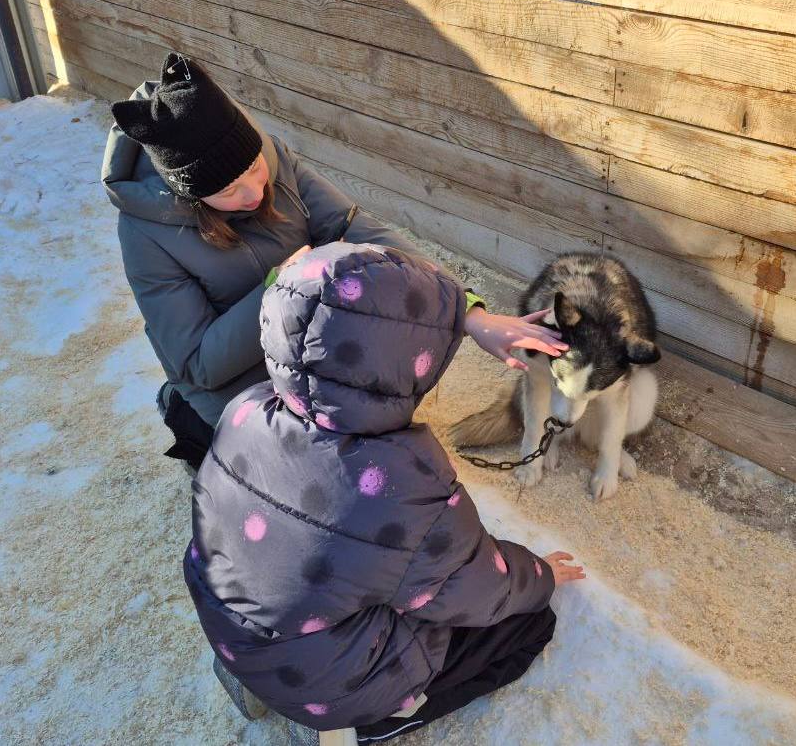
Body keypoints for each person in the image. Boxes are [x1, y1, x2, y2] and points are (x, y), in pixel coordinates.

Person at [184, 241, 585, 743]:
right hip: (325, 683)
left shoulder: (245, 409)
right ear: (403, 365)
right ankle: (379, 719)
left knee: (366, 569)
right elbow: (475, 590)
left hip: (235, 636)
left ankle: (265, 685)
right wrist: (539, 574)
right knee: (527, 627)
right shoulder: (400, 482)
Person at [102, 52, 567, 470]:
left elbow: (358, 230)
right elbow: (199, 364)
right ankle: (186, 420)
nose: (254, 191)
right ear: (191, 197)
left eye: (253, 169)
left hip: (308, 341)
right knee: (307, 487)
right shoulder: (148, 235)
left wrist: (470, 311)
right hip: (236, 384)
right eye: (228, 191)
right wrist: (277, 288)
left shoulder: (268, 154)